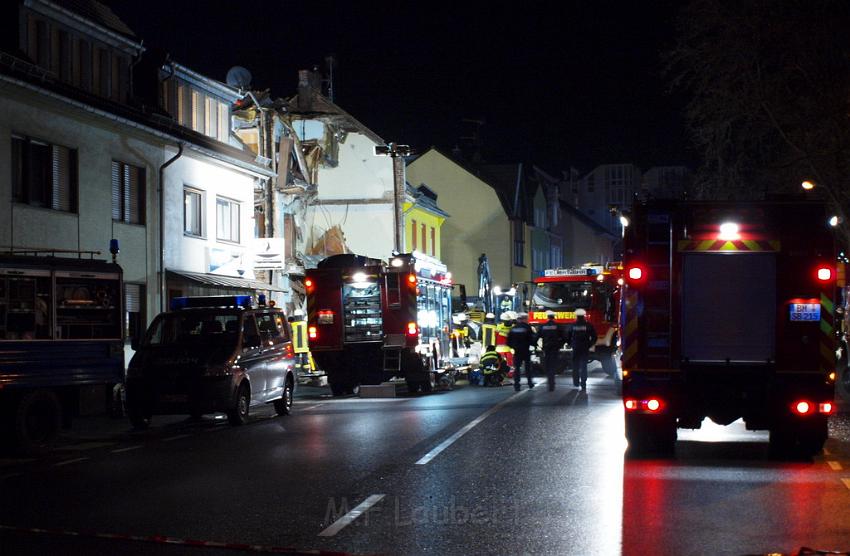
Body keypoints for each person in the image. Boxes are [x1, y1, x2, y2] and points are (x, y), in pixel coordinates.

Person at [567, 308, 597, 391]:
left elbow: (568, 337)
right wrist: (589, 344)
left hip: (576, 347)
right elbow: (594, 337)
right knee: (584, 365)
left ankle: (576, 382)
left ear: (576, 316)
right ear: (584, 316)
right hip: (584, 347)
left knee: (575, 365)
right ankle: (583, 383)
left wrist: (571, 344)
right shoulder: (588, 325)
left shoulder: (572, 325)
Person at [507, 312, 537, 391]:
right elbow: (532, 338)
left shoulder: (513, 328)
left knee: (517, 368)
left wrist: (513, 347)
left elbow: (508, 341)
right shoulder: (527, 327)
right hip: (525, 350)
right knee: (528, 367)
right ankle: (530, 383)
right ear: (524, 319)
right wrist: (534, 345)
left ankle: (517, 385)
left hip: (517, 351)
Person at [538, 310, 567, 391]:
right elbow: (564, 337)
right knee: (553, 364)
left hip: (546, 348)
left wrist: (535, 344)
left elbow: (537, 336)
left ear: (547, 317)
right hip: (555, 348)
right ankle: (552, 382)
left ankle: (549, 382)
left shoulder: (543, 326)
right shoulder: (558, 326)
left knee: (547, 364)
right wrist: (560, 344)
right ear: (554, 317)